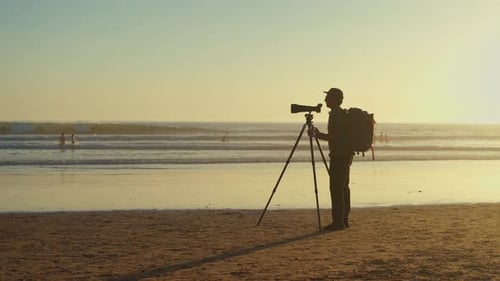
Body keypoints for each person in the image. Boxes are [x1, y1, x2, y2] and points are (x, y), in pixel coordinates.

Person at [309, 87, 353, 231]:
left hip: (339, 155)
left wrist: (317, 134)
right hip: (346, 154)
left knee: (336, 188)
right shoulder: (341, 114)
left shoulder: (336, 115)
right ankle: (344, 220)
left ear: (335, 99)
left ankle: (338, 222)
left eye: (328, 98)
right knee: (343, 187)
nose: (325, 100)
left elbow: (334, 136)